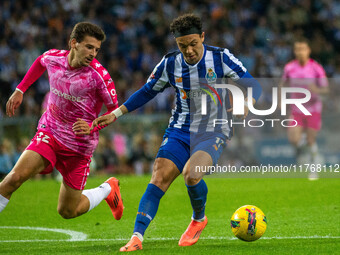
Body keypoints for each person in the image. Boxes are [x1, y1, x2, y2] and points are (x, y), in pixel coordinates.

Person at [92, 14, 262, 252]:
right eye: (183, 46)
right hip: (180, 129)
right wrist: (116, 113)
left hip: (214, 130)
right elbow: (147, 91)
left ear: (202, 37)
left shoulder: (220, 58)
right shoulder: (170, 63)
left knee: (191, 174)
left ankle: (198, 218)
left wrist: (247, 101)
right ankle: (137, 237)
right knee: (158, 178)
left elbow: (254, 84)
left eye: (194, 43)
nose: (189, 50)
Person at [0, 22, 124, 221]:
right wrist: (20, 89)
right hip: (50, 132)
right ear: (73, 43)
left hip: (79, 146)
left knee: (67, 211)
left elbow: (114, 111)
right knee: (14, 178)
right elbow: (40, 61)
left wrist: (93, 125)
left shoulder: (99, 77)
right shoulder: (54, 58)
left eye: (97, 50)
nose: (93, 53)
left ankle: (108, 188)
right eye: (89, 47)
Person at [280, 39, 329, 180]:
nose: (300, 52)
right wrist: (281, 101)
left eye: (303, 49)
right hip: (296, 109)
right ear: (295, 51)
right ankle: (313, 152)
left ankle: (314, 168)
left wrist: (317, 89)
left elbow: (326, 89)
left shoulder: (316, 68)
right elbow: (282, 84)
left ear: (308, 50)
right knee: (294, 139)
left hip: (313, 109)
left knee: (310, 139)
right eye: (297, 49)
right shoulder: (289, 68)